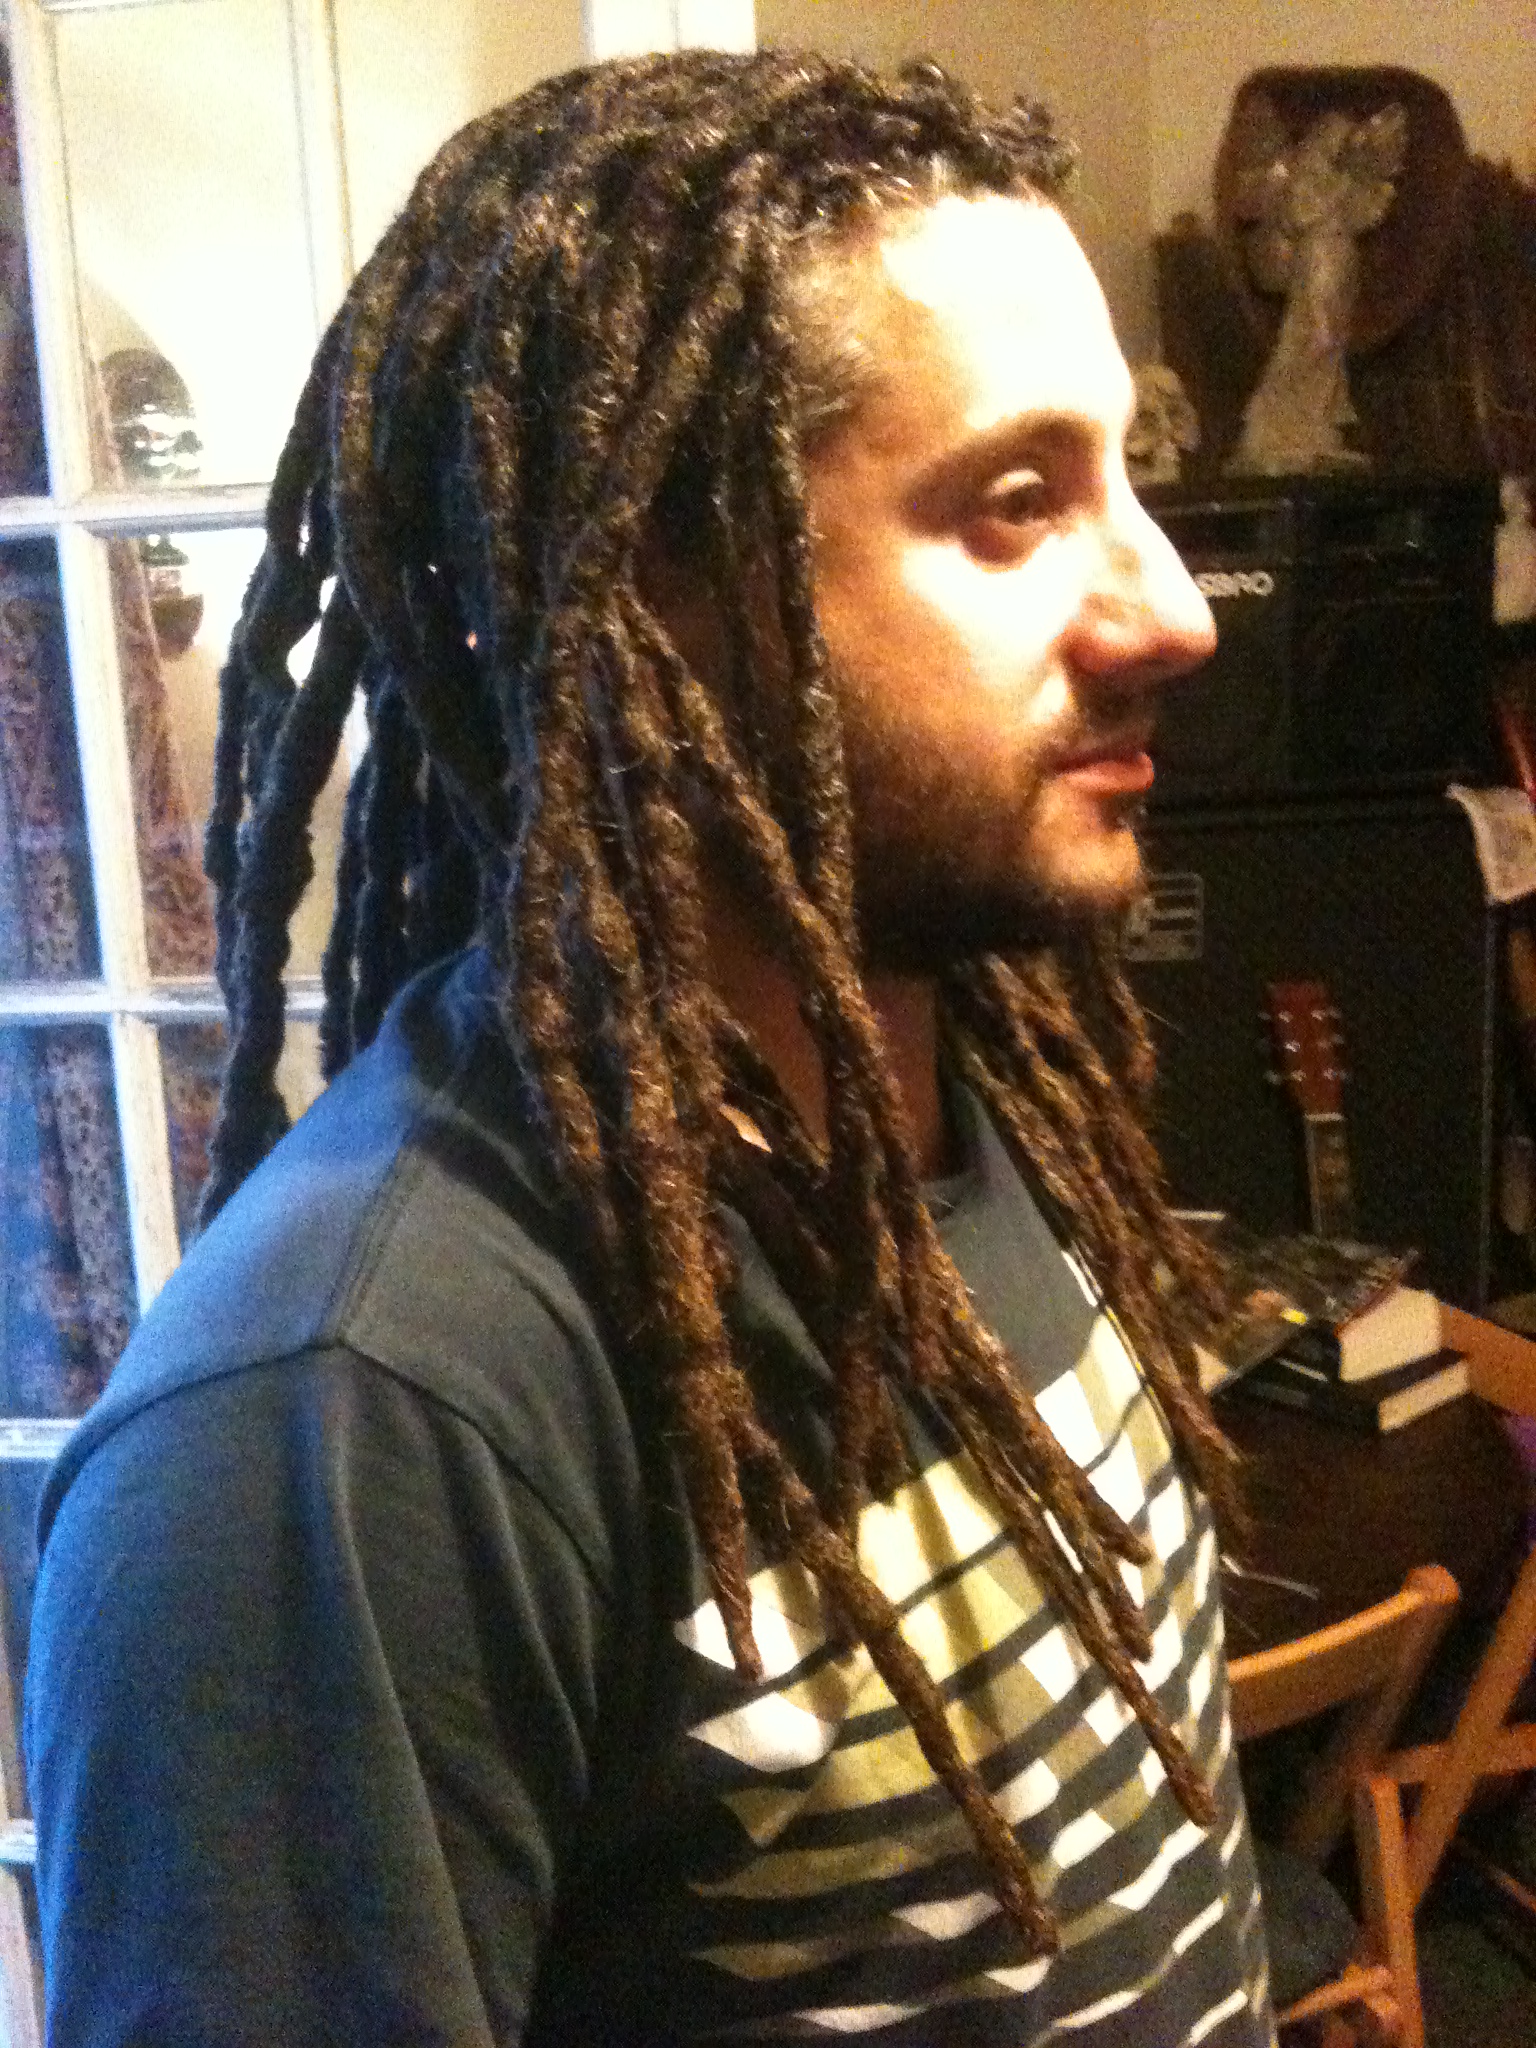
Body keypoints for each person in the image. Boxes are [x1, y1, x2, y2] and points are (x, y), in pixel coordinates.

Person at [26, 47, 1275, 2047]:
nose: (1172, 608)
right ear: (642, 602)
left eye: (1132, 477)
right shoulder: (349, 1427)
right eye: (1015, 505)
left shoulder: (976, 1086)